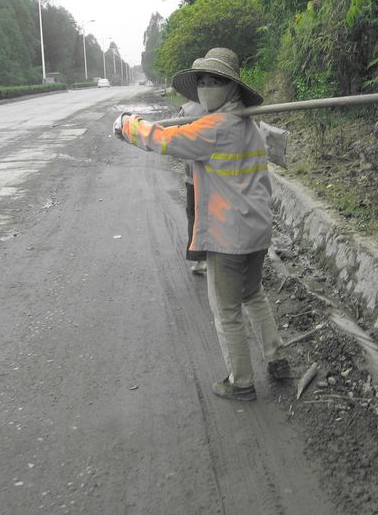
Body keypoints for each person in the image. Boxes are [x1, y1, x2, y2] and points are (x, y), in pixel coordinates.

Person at [113, 47, 290, 401]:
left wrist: (127, 124)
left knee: (226, 310)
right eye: (203, 81)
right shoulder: (249, 124)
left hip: (228, 236)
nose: (207, 87)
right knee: (252, 294)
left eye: (215, 81)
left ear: (232, 86)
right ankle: (277, 357)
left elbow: (164, 140)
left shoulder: (213, 127)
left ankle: (241, 382)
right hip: (257, 231)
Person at [177, 100, 208, 274]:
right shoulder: (226, 107)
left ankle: (200, 258)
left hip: (194, 176)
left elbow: (176, 140)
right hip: (219, 176)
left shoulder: (186, 110)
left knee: (195, 216)